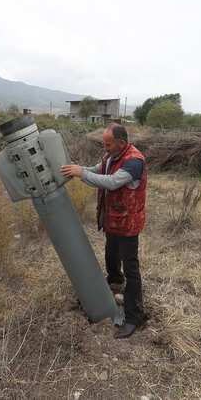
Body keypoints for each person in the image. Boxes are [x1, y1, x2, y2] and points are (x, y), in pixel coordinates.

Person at [60, 123, 147, 339]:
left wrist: (81, 174)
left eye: (108, 145)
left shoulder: (134, 162)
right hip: (114, 220)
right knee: (111, 253)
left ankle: (135, 317)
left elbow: (110, 182)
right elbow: (98, 170)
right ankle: (115, 280)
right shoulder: (111, 157)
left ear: (122, 143)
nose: (104, 149)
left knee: (132, 270)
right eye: (103, 144)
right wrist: (76, 169)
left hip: (127, 224)